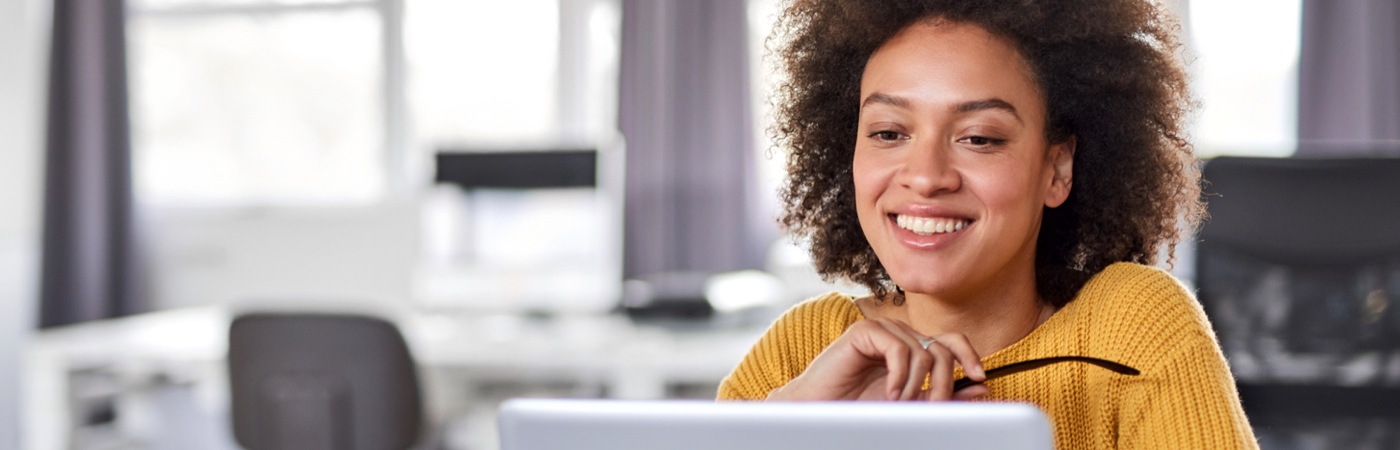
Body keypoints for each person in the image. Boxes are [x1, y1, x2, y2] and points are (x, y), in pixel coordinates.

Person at [717, 0, 1259, 448]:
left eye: (979, 137)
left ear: (1057, 169)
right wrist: (787, 430)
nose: (926, 177)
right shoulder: (800, 354)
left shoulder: (1134, 330)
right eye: (888, 133)